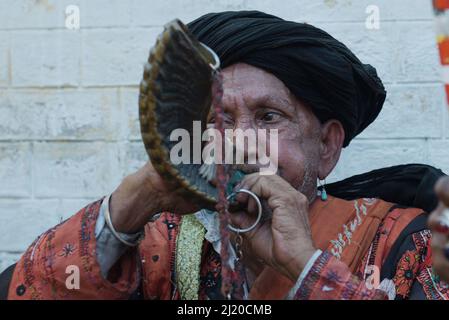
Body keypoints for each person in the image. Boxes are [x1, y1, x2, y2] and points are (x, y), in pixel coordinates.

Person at [1, 10, 448, 300]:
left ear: (327, 146)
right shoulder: (159, 242)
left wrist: (306, 267)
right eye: (219, 121)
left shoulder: (406, 240)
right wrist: (138, 196)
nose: (238, 142)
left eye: (269, 117)